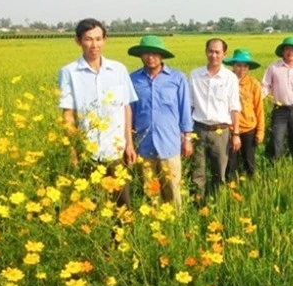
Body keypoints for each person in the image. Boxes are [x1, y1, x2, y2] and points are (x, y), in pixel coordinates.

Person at [58, 18, 137, 207]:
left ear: (105, 40)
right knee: (93, 206)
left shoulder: (118, 70)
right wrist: (73, 151)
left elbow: (125, 107)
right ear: (78, 41)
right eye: (88, 39)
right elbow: (68, 114)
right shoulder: (69, 72)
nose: (94, 45)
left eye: (98, 39)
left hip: (116, 151)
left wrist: (129, 144)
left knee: (122, 206)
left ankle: (121, 238)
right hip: (89, 152)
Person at [129, 35, 193, 212]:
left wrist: (187, 138)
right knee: (151, 191)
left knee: (173, 189)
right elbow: (130, 113)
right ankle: (157, 225)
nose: (151, 57)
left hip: (170, 144)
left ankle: (176, 227)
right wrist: (129, 142)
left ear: (162, 56)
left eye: (155, 53)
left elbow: (185, 110)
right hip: (144, 144)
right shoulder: (133, 80)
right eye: (146, 53)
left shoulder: (177, 78)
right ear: (140, 56)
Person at [189, 38, 241, 203]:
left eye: (217, 52)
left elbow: (234, 107)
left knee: (220, 171)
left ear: (224, 54)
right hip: (198, 129)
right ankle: (198, 205)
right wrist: (186, 134)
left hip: (221, 131)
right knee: (198, 172)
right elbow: (189, 105)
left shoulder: (230, 78)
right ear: (206, 52)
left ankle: (218, 204)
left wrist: (236, 134)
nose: (213, 55)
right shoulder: (195, 75)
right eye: (210, 51)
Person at [261, 36, 293, 161]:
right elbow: (266, 86)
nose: (291, 53)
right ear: (283, 51)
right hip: (280, 110)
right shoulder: (274, 67)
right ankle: (276, 165)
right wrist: (256, 99)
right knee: (276, 139)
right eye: (288, 49)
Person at [223, 48, 265, 178]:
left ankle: (251, 186)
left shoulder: (254, 84)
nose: (242, 69)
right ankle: (231, 186)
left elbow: (259, 108)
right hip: (230, 127)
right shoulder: (225, 81)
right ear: (233, 66)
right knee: (231, 162)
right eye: (239, 66)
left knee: (249, 159)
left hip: (248, 127)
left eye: (245, 66)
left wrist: (260, 131)